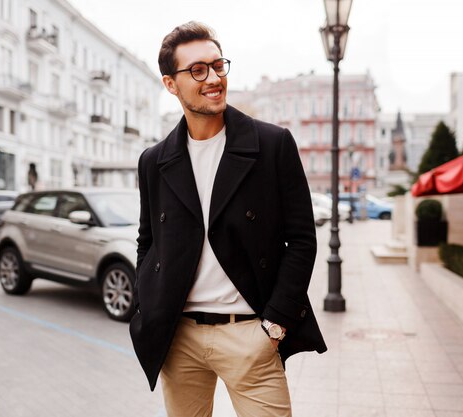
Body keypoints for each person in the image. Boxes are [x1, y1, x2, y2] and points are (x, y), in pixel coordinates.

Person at [129, 21, 326, 417]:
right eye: (197, 70)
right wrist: (147, 308)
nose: (214, 78)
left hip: (251, 334)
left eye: (218, 66)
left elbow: (302, 239)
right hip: (178, 337)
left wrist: (274, 326)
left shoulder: (271, 145)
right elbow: (148, 242)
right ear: (171, 84)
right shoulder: (154, 160)